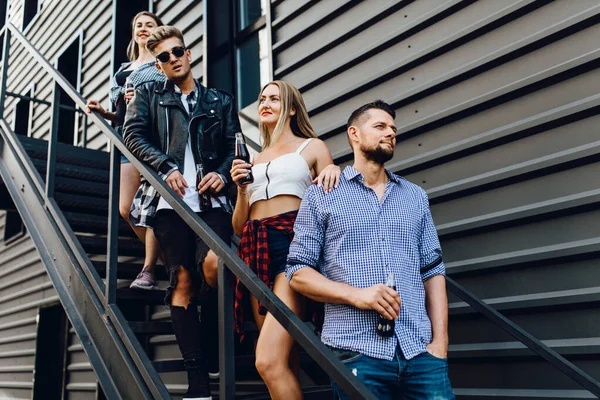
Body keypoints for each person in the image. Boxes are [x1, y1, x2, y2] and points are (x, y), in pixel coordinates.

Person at [285, 100, 455, 399]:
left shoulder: (415, 196)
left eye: (393, 128)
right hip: (356, 352)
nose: (390, 132)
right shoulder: (323, 195)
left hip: (421, 352)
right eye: (380, 126)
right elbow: (297, 272)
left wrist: (439, 343)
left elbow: (433, 271)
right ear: (354, 134)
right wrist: (358, 295)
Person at [123, 26, 240, 400]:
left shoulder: (219, 100)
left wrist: (222, 175)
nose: (172, 59)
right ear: (157, 65)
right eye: (163, 57)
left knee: (214, 267)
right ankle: (198, 379)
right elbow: (133, 136)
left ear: (189, 55)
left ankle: (209, 339)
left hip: (212, 204)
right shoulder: (148, 95)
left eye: (177, 52)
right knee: (184, 280)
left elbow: (233, 147)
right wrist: (166, 167)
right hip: (170, 206)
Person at [230, 80, 341, 400]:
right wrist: (240, 189)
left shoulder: (312, 147)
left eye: (275, 99)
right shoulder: (253, 157)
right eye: (262, 98)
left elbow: (334, 191)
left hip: (293, 245)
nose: (265, 103)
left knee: (266, 360)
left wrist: (334, 170)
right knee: (283, 358)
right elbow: (238, 226)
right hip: (254, 249)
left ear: (292, 108)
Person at [85, 11, 165, 290]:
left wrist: (143, 96)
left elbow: (170, 95)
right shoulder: (122, 70)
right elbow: (120, 116)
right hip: (126, 140)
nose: (143, 29)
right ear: (133, 33)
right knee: (126, 208)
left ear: (158, 30)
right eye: (138, 25)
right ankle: (169, 256)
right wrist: (103, 111)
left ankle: (148, 269)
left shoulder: (161, 63)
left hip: (153, 138)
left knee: (152, 205)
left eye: (149, 25)